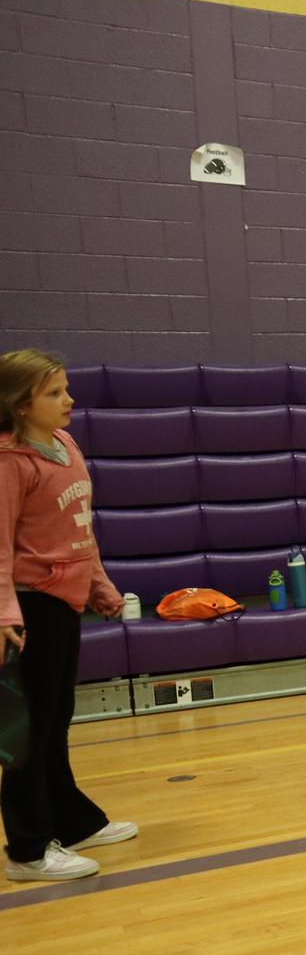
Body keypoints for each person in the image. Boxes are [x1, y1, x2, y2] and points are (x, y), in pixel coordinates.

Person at [0, 350, 135, 884]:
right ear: (19, 403)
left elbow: (81, 530)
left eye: (66, 388)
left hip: (65, 602)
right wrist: (4, 613)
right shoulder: (10, 463)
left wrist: (99, 585)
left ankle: (71, 820)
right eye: (55, 392)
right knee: (25, 732)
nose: (68, 400)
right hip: (28, 609)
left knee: (56, 721)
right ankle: (28, 849)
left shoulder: (64, 446)